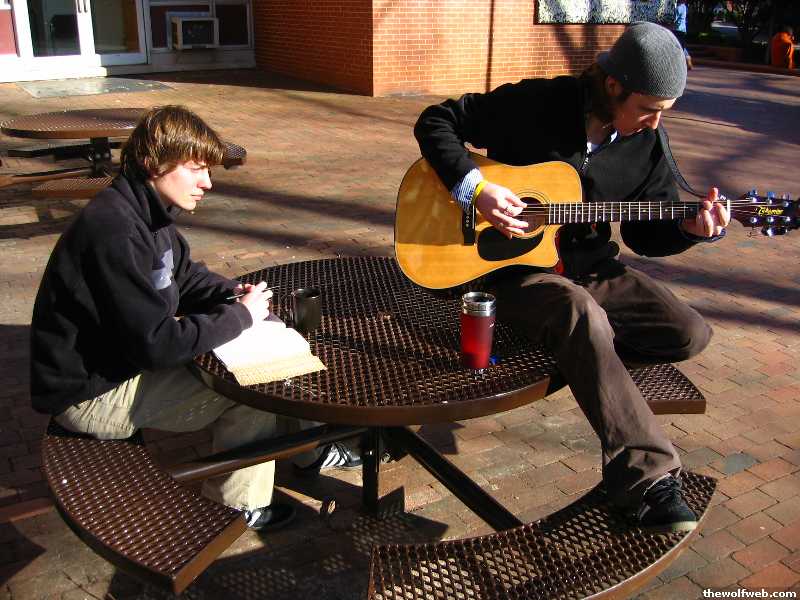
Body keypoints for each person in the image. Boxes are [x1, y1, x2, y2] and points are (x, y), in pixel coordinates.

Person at [414, 22, 729, 533]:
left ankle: (587, 360)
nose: (654, 123)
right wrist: (477, 190)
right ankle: (645, 479)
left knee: (688, 333)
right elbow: (437, 120)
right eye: (647, 108)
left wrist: (689, 229)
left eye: (663, 112)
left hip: (589, 267)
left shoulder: (648, 144)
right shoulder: (538, 102)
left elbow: (646, 235)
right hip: (509, 271)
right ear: (613, 85)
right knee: (582, 315)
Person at [29, 105, 358, 532]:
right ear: (154, 163)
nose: (208, 182)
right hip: (92, 396)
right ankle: (238, 506)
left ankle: (308, 452)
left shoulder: (146, 213)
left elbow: (184, 275)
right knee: (251, 390)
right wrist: (240, 317)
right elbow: (158, 344)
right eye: (196, 168)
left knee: (266, 367)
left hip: (118, 366)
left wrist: (231, 293)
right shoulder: (115, 231)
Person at [674, 0, 693, 70]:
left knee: (677, 46)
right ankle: (688, 58)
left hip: (677, 29)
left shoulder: (678, 8)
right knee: (681, 45)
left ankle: (680, 62)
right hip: (683, 30)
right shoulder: (684, 7)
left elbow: (674, 19)